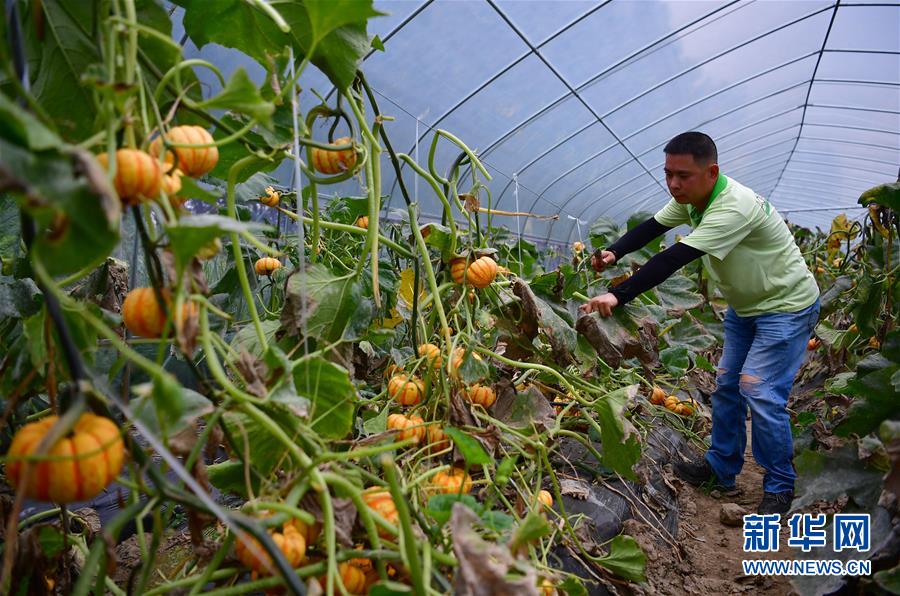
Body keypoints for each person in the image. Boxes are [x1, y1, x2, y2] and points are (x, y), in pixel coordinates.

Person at [579, 131, 820, 515]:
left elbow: (674, 257)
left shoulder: (732, 207)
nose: (674, 184)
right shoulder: (693, 199)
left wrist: (618, 294)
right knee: (727, 385)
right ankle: (721, 469)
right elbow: (654, 228)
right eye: (668, 173)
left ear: (712, 172)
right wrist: (614, 251)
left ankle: (779, 486)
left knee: (758, 389)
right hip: (747, 308)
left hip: (786, 307)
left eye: (683, 175)